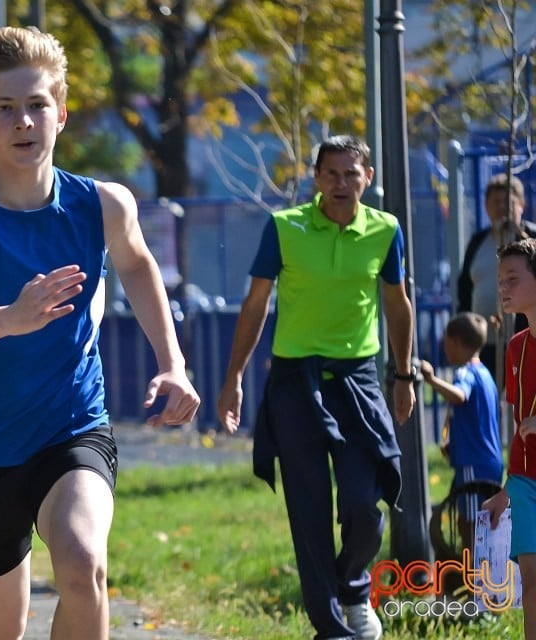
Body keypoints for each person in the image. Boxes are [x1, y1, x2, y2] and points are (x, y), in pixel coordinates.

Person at [0, 26, 199, 640]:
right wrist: (9, 318)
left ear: (61, 112)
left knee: (84, 565)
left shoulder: (103, 205)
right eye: (5, 109)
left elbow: (137, 265)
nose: (24, 122)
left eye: (36, 105)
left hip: (72, 426)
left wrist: (173, 361)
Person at [216, 134, 415, 640]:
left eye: (352, 174)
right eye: (332, 174)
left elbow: (397, 304)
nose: (342, 183)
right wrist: (234, 378)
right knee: (308, 511)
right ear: (316, 179)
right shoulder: (285, 228)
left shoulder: (385, 230)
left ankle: (352, 585)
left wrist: (404, 373)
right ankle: (331, 628)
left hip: (358, 379)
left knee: (364, 506)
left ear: (368, 178)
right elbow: (255, 304)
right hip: (295, 381)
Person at [483, 237, 536, 640]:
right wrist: (508, 488)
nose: (502, 288)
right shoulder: (516, 347)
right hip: (526, 483)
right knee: (531, 583)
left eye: (512, 280)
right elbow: (519, 427)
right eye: (501, 280)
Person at [419, 311, 502, 556]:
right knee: (486, 524)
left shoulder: (465, 373)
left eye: (445, 342)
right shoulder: (485, 374)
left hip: (472, 463)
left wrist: (431, 380)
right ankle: (487, 580)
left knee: (470, 524)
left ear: (454, 342)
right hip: (490, 461)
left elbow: (460, 396)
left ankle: (474, 582)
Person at [457, 173, 536, 377]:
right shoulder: (477, 242)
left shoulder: (532, 240)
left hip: (526, 340)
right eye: (496, 201)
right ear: (486, 206)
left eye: (508, 201)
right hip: (484, 344)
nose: (501, 207)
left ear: (521, 205)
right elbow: (465, 288)